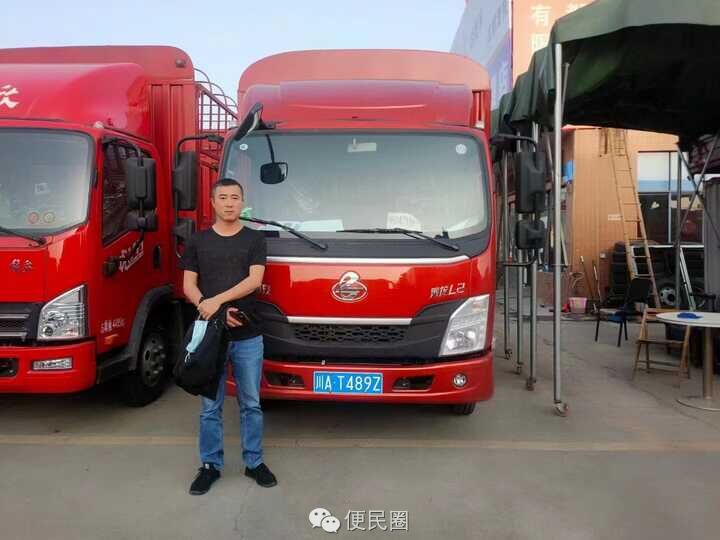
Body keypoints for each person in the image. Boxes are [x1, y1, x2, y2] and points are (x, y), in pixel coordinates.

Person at [180, 177, 277, 495]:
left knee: (251, 403)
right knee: (210, 407)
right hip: (211, 337)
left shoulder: (254, 239)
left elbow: (254, 281)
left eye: (235, 197)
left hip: (248, 336)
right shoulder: (198, 241)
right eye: (223, 197)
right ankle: (210, 465)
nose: (229, 203)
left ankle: (254, 462)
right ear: (212, 202)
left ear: (242, 202)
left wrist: (217, 303)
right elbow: (188, 285)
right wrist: (213, 310)